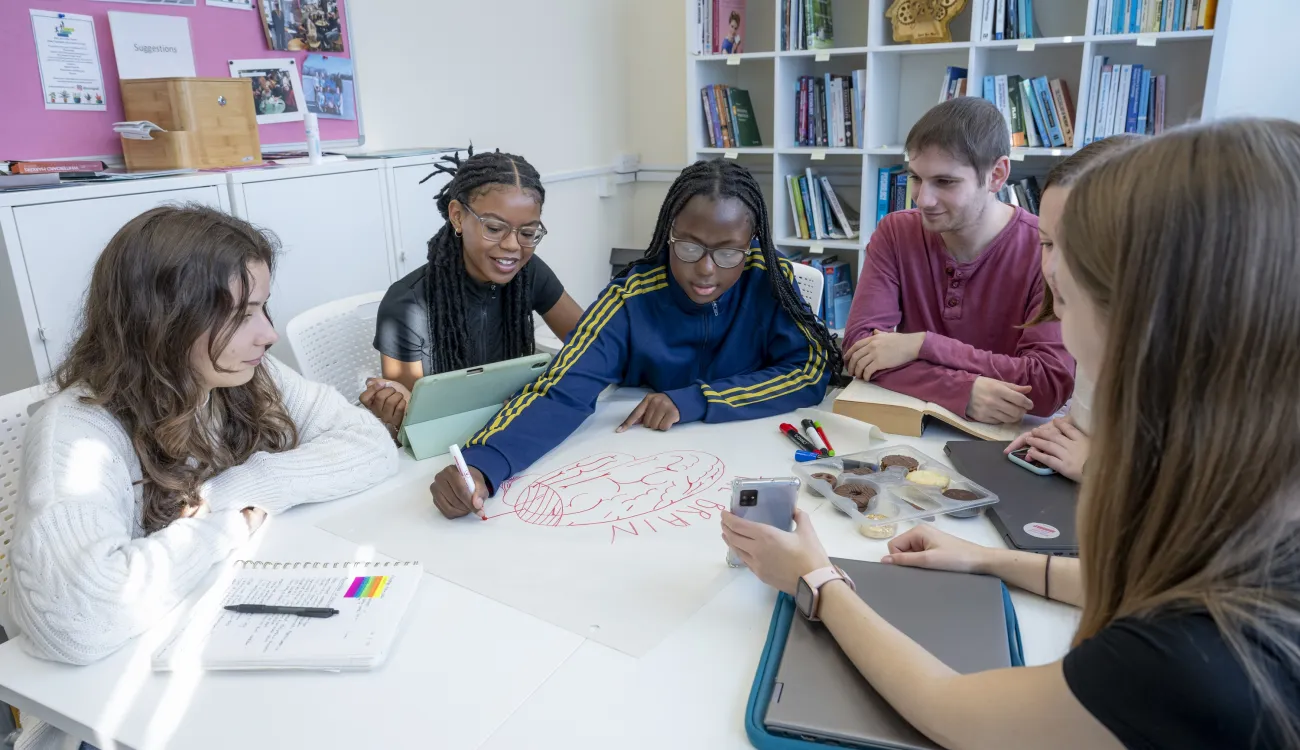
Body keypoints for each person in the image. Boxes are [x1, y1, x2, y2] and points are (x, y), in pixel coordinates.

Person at [724, 119, 1300, 749]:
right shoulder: (1254, 520)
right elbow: (1140, 578)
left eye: (1066, 288)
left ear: (1145, 314)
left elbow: (954, 712)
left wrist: (818, 581)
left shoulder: (1188, 659)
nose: (1053, 295)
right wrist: (985, 557)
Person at [9, 205, 397, 743]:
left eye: (263, 308)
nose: (269, 334)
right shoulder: (78, 434)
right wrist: (229, 525)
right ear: (163, 320)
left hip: (221, 634)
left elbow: (370, 444)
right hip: (113, 710)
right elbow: (81, 620)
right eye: (242, 315)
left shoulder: (242, 374)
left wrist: (239, 491)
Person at [429, 159, 844, 519]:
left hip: (756, 460)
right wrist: (483, 464)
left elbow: (809, 371)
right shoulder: (629, 298)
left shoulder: (771, 282)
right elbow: (562, 389)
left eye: (729, 253)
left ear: (751, 244)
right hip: (654, 472)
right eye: (689, 248)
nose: (706, 270)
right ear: (669, 234)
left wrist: (696, 400)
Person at [843, 97, 1074, 425]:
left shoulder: (1044, 247)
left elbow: (1048, 385)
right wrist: (962, 391)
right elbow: (859, 350)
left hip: (1009, 439)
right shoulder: (895, 232)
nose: (923, 199)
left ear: (996, 175)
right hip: (913, 431)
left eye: (945, 182)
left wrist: (923, 345)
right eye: (916, 178)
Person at [363, 150, 584, 433]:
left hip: (511, 430)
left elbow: (592, 344)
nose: (513, 246)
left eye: (528, 233)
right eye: (494, 228)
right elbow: (413, 425)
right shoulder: (407, 305)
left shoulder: (529, 273)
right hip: (448, 446)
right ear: (457, 216)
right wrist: (394, 412)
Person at [1004, 134, 1144, 481]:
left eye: (1076, 245)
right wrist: (1059, 436)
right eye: (1047, 243)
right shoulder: (1091, 330)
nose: (1052, 268)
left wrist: (1095, 467)